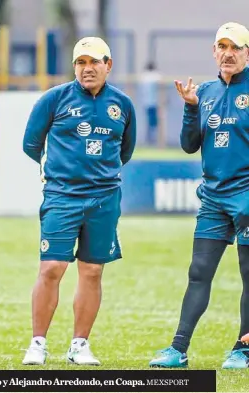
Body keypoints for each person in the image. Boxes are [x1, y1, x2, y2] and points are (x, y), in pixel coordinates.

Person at [22, 36, 136, 365]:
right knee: (52, 267)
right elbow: (31, 144)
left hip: (104, 198)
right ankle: (38, 344)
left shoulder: (123, 104)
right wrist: (59, 172)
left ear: (108, 65)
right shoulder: (54, 99)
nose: (87, 69)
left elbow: (124, 150)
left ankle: (79, 345)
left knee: (92, 271)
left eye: (94, 62)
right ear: (74, 67)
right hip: (62, 196)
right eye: (80, 63)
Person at [149, 22, 249, 370]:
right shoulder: (204, 91)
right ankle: (178, 349)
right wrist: (191, 107)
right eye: (222, 46)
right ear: (213, 52)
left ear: (247, 53)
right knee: (199, 272)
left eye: (236, 47)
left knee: (248, 274)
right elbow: (189, 145)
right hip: (214, 199)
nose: (228, 53)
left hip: (247, 197)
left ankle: (243, 349)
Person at [140, 62, 161, 145]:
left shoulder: (144, 77)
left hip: (147, 102)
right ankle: (152, 140)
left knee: (150, 122)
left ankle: (150, 139)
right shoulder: (155, 76)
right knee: (154, 122)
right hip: (154, 102)